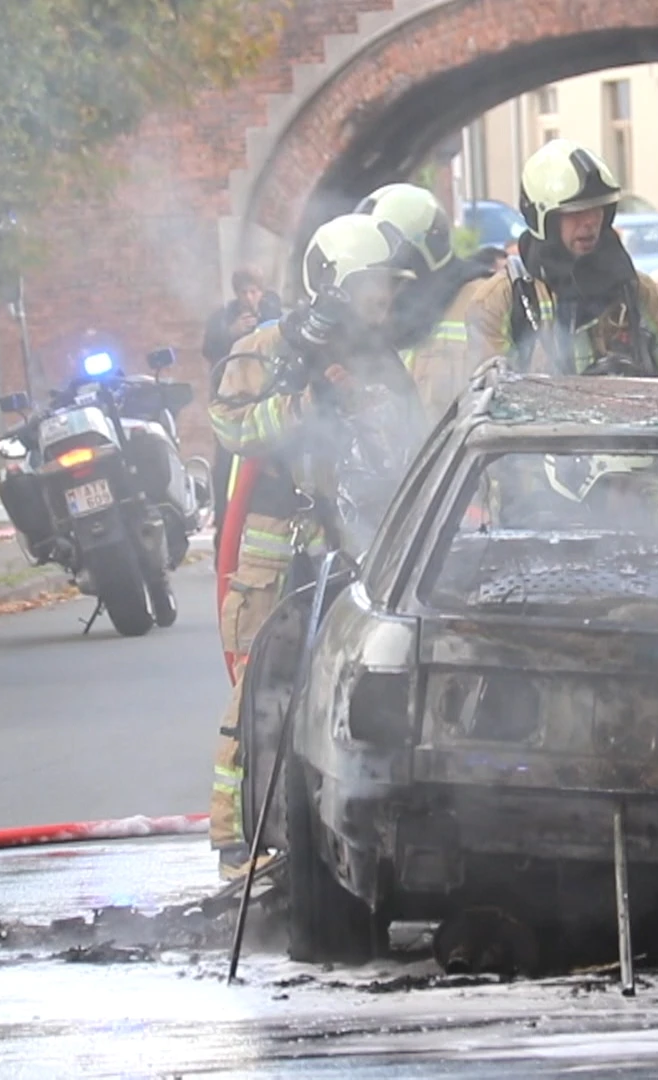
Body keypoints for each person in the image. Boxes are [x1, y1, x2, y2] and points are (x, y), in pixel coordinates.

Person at [206, 213, 428, 876]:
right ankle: (234, 842)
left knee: (339, 687)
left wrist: (367, 409)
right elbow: (229, 424)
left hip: (350, 547)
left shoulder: (375, 359)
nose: (383, 302)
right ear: (332, 283)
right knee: (257, 690)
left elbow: (405, 443)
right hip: (272, 552)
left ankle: (325, 832)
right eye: (371, 288)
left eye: (387, 289)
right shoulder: (269, 346)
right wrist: (302, 406)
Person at [465, 139, 658, 381]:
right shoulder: (501, 301)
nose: (591, 221)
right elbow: (491, 399)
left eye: (598, 209)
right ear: (543, 219)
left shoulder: (635, 290)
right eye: (576, 212)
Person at [355, 182, 500, 419]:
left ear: (419, 259)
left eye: (389, 271)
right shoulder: (370, 323)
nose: (378, 288)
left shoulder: (484, 300)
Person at [202, 268, 283, 364]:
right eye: (244, 292)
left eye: (253, 292)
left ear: (261, 293)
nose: (248, 297)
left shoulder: (273, 315)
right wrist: (230, 333)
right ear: (236, 293)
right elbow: (208, 351)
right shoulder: (221, 318)